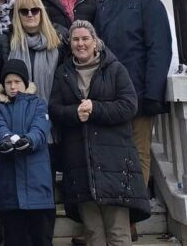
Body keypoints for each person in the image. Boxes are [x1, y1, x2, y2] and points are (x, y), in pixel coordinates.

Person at [49, 21, 150, 245]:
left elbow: (128, 105)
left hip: (114, 162)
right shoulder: (64, 73)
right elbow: (54, 109)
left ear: (95, 42)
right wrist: (75, 113)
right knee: (94, 233)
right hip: (80, 163)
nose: (80, 44)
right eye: (75, 39)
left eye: (85, 38)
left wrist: (96, 109)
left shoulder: (114, 68)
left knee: (118, 232)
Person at [95, 0, 172, 196]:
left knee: (138, 154)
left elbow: (159, 50)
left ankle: (134, 214)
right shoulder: (105, 3)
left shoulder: (148, 2)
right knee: (113, 154)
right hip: (110, 94)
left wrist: (152, 95)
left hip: (139, 93)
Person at [0, 59, 55, 246]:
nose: (13, 86)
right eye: (8, 82)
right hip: (10, 192)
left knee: (41, 239)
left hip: (38, 190)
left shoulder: (39, 104)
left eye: (17, 81)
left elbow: (41, 128)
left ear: (25, 83)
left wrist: (30, 140)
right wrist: (6, 139)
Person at [0, 0, 65, 104]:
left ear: (41, 13)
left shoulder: (57, 43)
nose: (30, 14)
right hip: (12, 112)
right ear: (17, 14)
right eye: (24, 11)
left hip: (49, 113)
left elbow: (62, 84)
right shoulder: (5, 41)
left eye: (34, 10)